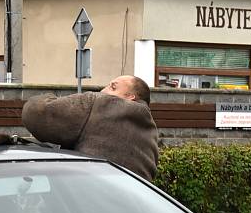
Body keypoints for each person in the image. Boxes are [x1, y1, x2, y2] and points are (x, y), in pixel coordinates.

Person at [21, 75, 159, 180]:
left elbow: (36, 113)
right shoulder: (150, 133)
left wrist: (47, 96)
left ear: (130, 97)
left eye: (113, 87)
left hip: (90, 205)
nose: (102, 91)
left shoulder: (101, 104)